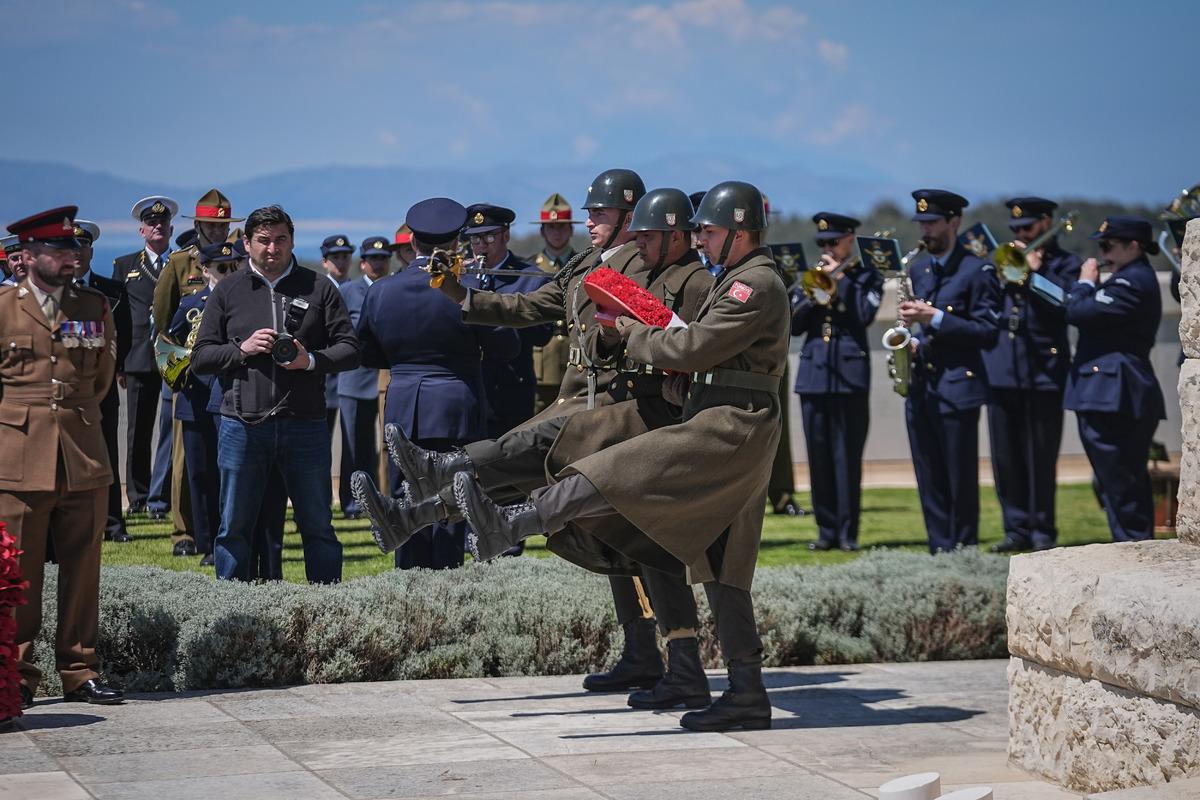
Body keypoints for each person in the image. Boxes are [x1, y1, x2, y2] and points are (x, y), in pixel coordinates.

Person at [356, 186, 715, 708]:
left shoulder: (647, 266)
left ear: (632, 218)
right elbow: (531, 307)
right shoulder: (589, 261)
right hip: (590, 407)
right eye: (590, 212)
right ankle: (642, 653)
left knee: (614, 519)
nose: (589, 220)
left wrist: (622, 330)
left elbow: (661, 333)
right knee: (606, 529)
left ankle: (431, 489)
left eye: (601, 213)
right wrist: (458, 293)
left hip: (625, 415)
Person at [449, 181, 788, 732]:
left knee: (614, 468)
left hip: (733, 425)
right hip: (718, 417)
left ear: (740, 231)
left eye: (709, 229)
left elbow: (695, 347)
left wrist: (629, 331)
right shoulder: (737, 278)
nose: (700, 237)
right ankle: (747, 693)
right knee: (725, 566)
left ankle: (513, 524)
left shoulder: (755, 284)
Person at [190, 205, 359, 583]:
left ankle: (328, 610)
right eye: (263, 241)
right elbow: (200, 357)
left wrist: (310, 361)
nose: (272, 249)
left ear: (293, 241)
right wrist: (242, 349)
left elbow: (351, 349)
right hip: (242, 426)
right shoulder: (228, 290)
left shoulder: (318, 288)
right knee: (233, 529)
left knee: (318, 527)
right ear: (246, 243)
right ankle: (230, 620)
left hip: (306, 426)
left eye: (281, 239)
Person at [0, 206, 125, 709]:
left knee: (83, 564)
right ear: (28, 256)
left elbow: (98, 379)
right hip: (19, 454)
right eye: (58, 248)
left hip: (82, 452)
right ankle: (19, 673)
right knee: (20, 571)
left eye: (74, 247)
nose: (71, 256)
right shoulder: (5, 308)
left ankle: (79, 668)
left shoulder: (94, 306)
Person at [355, 199, 520, 569]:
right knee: (451, 504)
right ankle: (446, 592)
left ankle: (411, 591)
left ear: (412, 242)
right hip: (455, 404)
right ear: (455, 244)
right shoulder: (467, 288)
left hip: (403, 404)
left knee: (407, 501)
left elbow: (367, 352)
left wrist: (406, 363)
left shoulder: (382, 291)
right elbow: (506, 347)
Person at [898, 190, 1001, 554]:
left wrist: (936, 319)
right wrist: (911, 336)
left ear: (954, 222)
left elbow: (987, 332)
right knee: (928, 477)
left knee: (959, 477)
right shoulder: (917, 268)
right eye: (922, 223)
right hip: (922, 386)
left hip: (958, 387)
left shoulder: (979, 269)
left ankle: (964, 548)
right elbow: (916, 325)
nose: (925, 230)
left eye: (932, 222)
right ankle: (939, 551)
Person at [984, 197, 1082, 552]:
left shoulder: (1067, 263)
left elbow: (1067, 305)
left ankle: (1042, 530)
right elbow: (988, 303)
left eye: (1027, 228)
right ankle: (1016, 528)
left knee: (1040, 456)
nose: (1022, 235)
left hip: (1044, 372)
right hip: (1002, 371)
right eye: (1016, 230)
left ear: (1046, 223)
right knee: (1005, 458)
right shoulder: (1004, 261)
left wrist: (1034, 275)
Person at [153, 189, 244, 556]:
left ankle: (218, 532)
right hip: (189, 375)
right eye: (211, 224)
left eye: (223, 225)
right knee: (185, 459)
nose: (218, 231)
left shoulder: (236, 259)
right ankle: (184, 532)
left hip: (223, 377)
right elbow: (163, 321)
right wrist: (175, 368)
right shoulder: (179, 263)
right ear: (199, 224)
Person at [1065, 217, 1166, 542]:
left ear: (1133, 246)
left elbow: (1079, 312)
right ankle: (1130, 550)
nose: (1102, 253)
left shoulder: (1132, 282)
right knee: (1113, 484)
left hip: (1116, 394)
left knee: (1123, 485)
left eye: (1108, 246)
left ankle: (1136, 553)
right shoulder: (1126, 278)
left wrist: (1084, 283)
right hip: (1107, 392)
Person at [791, 212, 884, 551]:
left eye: (834, 242)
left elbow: (863, 315)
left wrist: (840, 280)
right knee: (818, 457)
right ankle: (826, 530)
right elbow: (795, 325)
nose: (828, 248)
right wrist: (811, 288)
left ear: (849, 241)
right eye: (823, 243)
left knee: (846, 456)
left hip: (849, 377)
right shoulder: (812, 276)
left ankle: (848, 533)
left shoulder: (866, 277)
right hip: (814, 375)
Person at [167, 242, 239, 567]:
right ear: (206, 269)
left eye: (232, 267)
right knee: (199, 472)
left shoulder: (242, 302)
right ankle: (206, 542)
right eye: (222, 268)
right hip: (195, 396)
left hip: (226, 395)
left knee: (228, 470)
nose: (228, 273)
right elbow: (168, 343)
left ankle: (229, 536)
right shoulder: (191, 303)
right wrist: (174, 373)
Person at [463, 204, 554, 438]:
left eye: (489, 237)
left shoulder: (529, 279)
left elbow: (543, 336)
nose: (481, 246)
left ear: (506, 236)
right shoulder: (462, 279)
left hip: (511, 390)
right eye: (474, 240)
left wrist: (505, 311)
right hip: (469, 390)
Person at [113, 195, 177, 518]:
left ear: (171, 228)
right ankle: (137, 495)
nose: (157, 227)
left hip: (174, 358)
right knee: (137, 431)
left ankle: (163, 495)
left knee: (171, 429)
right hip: (137, 356)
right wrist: (118, 364)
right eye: (151, 223)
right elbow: (117, 316)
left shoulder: (180, 263)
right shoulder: (125, 266)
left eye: (162, 222)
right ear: (142, 230)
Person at [73, 220, 134, 543]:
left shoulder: (110, 291)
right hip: (67, 389)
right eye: (72, 247)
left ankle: (113, 523)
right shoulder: (56, 293)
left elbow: (122, 336)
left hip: (102, 385)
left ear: (91, 251)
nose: (78, 253)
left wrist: (112, 370)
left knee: (107, 452)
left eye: (83, 247)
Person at [336, 236, 390, 518]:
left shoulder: (394, 289)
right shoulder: (349, 291)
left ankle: (378, 496)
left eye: (383, 259)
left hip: (386, 378)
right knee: (354, 445)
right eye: (373, 259)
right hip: (355, 379)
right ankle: (352, 500)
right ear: (363, 263)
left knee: (383, 444)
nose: (378, 264)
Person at [526, 193, 583, 413]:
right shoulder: (530, 268)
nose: (557, 233)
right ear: (542, 231)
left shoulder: (584, 264)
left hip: (573, 355)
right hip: (541, 358)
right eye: (551, 227)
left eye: (562, 227)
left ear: (571, 229)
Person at [320, 234, 354, 438]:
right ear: (325, 262)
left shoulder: (360, 291)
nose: (341, 261)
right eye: (335, 257)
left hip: (354, 376)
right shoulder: (317, 290)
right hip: (324, 375)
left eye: (345, 256)